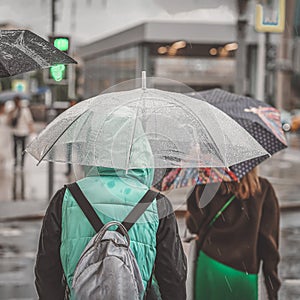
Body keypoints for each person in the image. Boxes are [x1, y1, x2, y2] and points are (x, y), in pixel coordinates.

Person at [34, 111, 187, 299]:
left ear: (95, 149)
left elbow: (46, 271)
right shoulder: (157, 204)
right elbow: (173, 277)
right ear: (140, 150)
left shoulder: (65, 198)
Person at [186, 168, 280, 300]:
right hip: (244, 272)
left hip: (211, 265)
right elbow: (268, 243)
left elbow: (193, 225)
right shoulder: (263, 189)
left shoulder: (210, 186)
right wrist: (272, 289)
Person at [7, 95, 34, 168]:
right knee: (15, 148)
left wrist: (31, 130)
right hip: (15, 131)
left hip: (23, 132)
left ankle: (22, 162)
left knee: (22, 148)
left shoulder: (25, 110)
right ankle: (16, 161)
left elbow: (29, 121)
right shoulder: (12, 110)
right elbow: (8, 121)